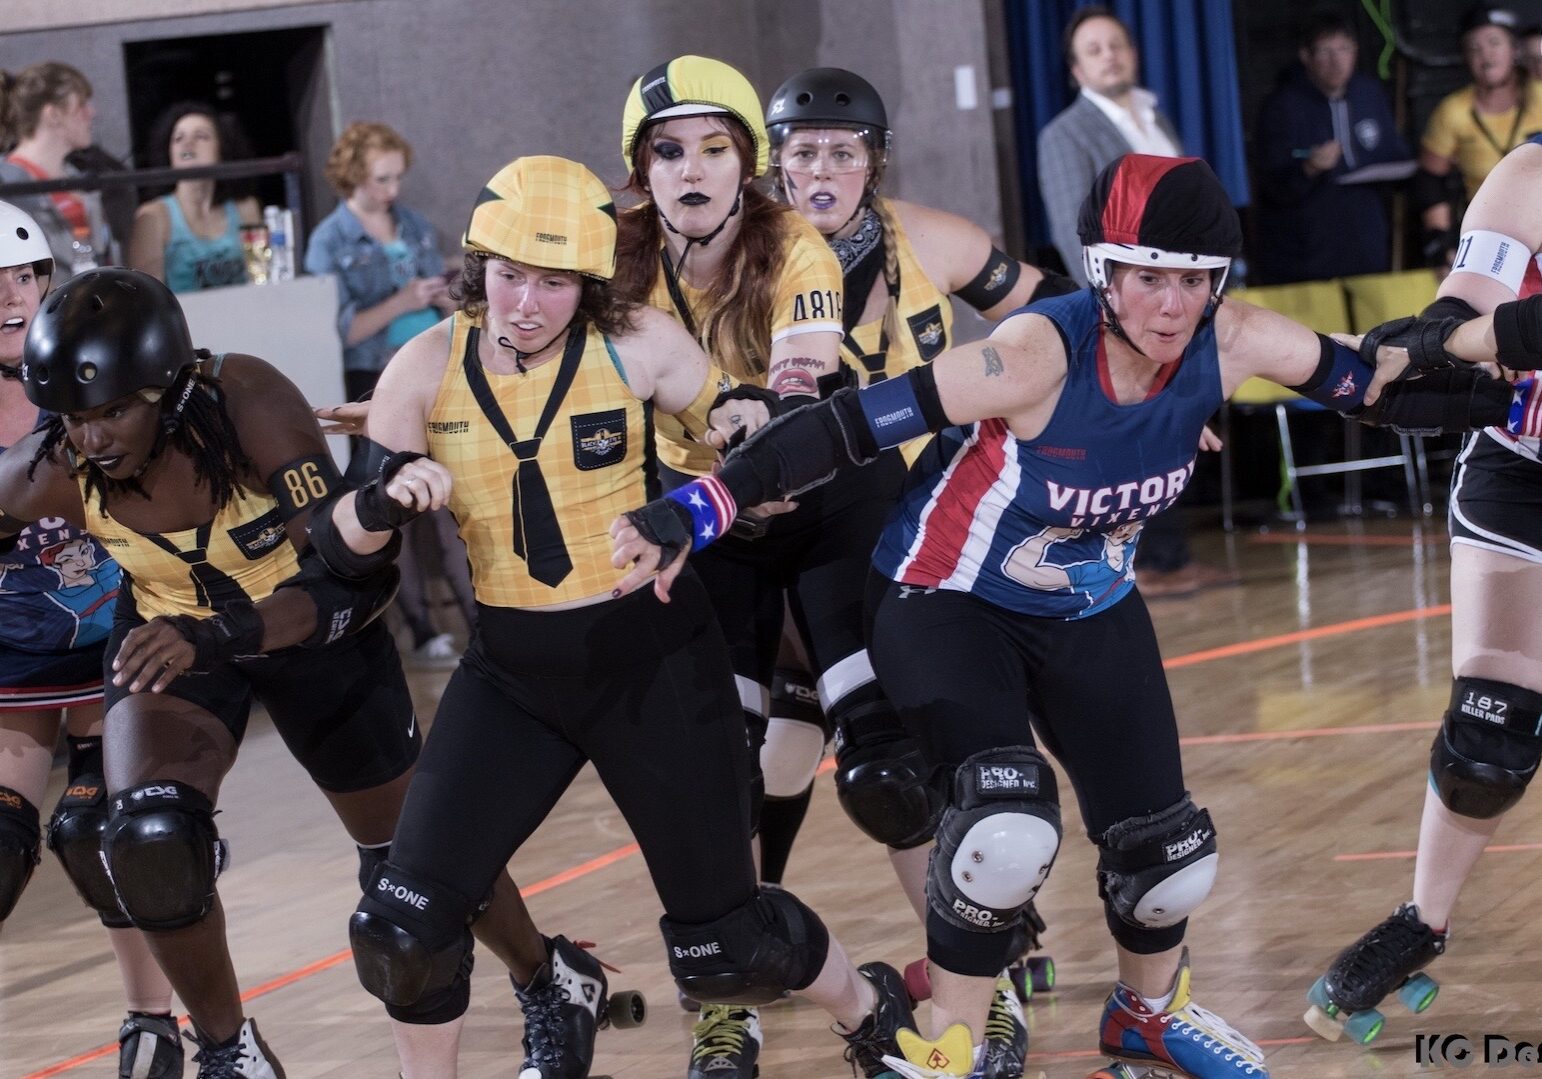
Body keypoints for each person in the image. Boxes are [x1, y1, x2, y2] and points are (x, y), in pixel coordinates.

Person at [611, 153, 1542, 1078]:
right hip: (947, 602)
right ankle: (953, 1040)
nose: (1171, 307)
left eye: (1192, 282)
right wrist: (693, 511)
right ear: (1103, 271)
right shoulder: (1035, 353)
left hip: (1087, 602)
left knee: (1170, 857)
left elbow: (1381, 389)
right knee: (1005, 829)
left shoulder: (1235, 338)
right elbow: (844, 427)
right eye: (1147, 279)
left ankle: (1147, 1012)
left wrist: (1502, 387)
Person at [320, 154, 916, 1079]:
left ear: (589, 284)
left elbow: (750, 442)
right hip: (513, 675)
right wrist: (384, 500)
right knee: (400, 925)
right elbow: (341, 545)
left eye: (554, 283)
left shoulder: (640, 343)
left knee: (729, 945)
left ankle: (871, 1009)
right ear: (480, 269)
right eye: (510, 276)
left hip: (652, 663)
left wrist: (737, 442)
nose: (525, 303)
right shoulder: (423, 365)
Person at [0, 266, 429, 1079]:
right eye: (74, 419)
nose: (90, 439)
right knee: (149, 840)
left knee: (412, 881)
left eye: (112, 411)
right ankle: (229, 1051)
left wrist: (228, 629)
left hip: (307, 634)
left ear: (167, 386)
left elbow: (354, 578)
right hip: (176, 642)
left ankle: (545, 975)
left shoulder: (249, 402)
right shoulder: (50, 464)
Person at [611, 55, 935, 1076]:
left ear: (749, 167)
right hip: (709, 522)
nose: (693, 170)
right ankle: (729, 997)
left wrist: (769, 413)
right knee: (720, 773)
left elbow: (803, 374)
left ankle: (984, 968)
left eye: (715, 149)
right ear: (640, 171)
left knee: (882, 765)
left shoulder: (793, 242)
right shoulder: (612, 259)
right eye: (669, 151)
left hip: (828, 491)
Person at [759, 64, 1076, 1073]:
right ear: (776, 166)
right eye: (802, 152)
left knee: (893, 762)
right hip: (799, 534)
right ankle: (740, 971)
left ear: (871, 162)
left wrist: (1138, 392)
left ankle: (969, 958)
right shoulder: (752, 262)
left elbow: (1055, 315)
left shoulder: (926, 239)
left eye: (842, 153)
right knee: (792, 760)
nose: (822, 170)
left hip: (927, 518)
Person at [1302, 133, 1542, 1046]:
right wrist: (1422, 350)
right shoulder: (1532, 173)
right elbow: (1472, 300)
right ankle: (1421, 919)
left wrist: (1457, 340)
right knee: (1487, 736)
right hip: (1523, 472)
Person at [0, 201, 186, 1077]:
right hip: (17, 656)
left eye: (27, 276)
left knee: (101, 837)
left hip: (117, 642)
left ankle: (154, 1022)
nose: (12, 295)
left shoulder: (96, 365)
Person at [305, 120, 471, 666]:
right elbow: (341, 330)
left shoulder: (414, 223)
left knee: (450, 499)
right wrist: (404, 299)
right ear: (353, 176)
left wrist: (446, 296)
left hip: (433, 369)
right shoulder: (330, 240)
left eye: (397, 178)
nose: (392, 191)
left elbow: (445, 295)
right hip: (373, 379)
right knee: (393, 501)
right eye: (381, 179)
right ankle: (420, 629)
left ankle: (474, 620)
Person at [1253, 10, 1414, 284]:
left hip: (1366, 242)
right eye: (1326, 51)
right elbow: (1269, 181)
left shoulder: (1369, 93)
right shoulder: (1283, 105)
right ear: (1307, 56)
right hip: (1306, 251)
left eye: (1344, 49)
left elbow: (1394, 153)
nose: (1336, 61)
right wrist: (1308, 167)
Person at [1036, 7, 1181, 288]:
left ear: (1133, 54)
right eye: (1094, 50)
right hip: (1134, 298)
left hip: (1188, 283)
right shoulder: (1064, 134)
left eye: (1116, 45)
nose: (1109, 55)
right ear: (1077, 70)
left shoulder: (1157, 118)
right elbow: (1074, 233)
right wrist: (1114, 304)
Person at [1416, 5, 1542, 265]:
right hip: (1492, 235)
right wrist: (1441, 247)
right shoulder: (1453, 111)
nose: (1486, 55)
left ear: (1515, 50)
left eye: (1494, 43)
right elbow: (1430, 181)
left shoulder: (1539, 94)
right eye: (1475, 48)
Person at [128, 101, 260, 292]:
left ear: (222, 149)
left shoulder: (246, 208)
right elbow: (146, 299)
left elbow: (261, 281)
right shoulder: (153, 217)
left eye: (201, 136)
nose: (187, 143)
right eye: (178, 138)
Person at [0, 62, 114, 280]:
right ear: (54, 115)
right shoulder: (7, 185)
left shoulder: (79, 177)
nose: (91, 112)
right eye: (81, 104)